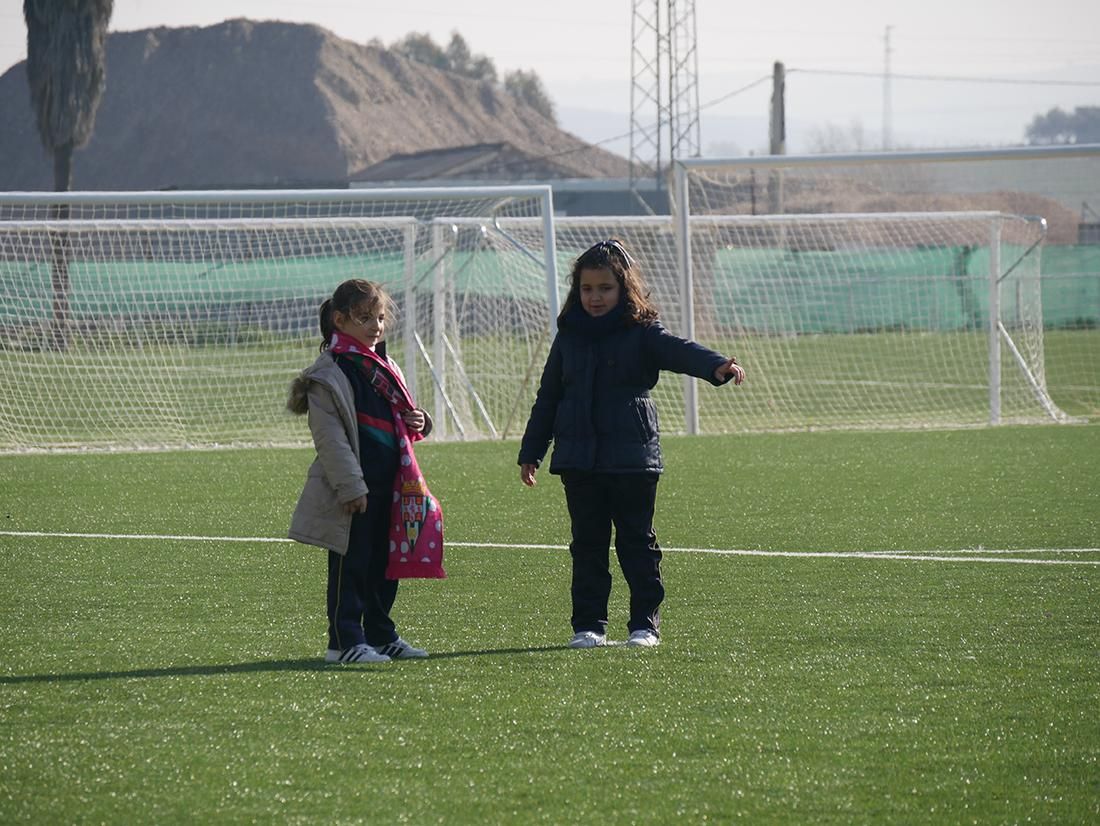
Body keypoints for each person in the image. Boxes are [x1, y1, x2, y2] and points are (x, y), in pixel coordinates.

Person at [518, 239, 745, 649]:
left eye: (605, 288)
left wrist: (716, 365)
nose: (595, 297)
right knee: (587, 545)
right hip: (578, 460)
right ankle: (589, 625)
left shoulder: (641, 333)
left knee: (636, 542)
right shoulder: (568, 336)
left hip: (632, 459)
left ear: (623, 288)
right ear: (577, 291)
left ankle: (644, 623)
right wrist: (531, 451)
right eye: (587, 289)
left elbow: (678, 350)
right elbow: (548, 396)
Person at [287, 279, 438, 664]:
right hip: (354, 489)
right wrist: (351, 486)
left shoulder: (386, 365)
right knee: (351, 565)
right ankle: (344, 641)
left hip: (394, 483)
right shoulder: (330, 373)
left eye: (380, 317)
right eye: (364, 318)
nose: (376, 326)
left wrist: (421, 421)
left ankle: (380, 633)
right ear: (340, 320)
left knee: (387, 565)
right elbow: (331, 439)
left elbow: (403, 419)